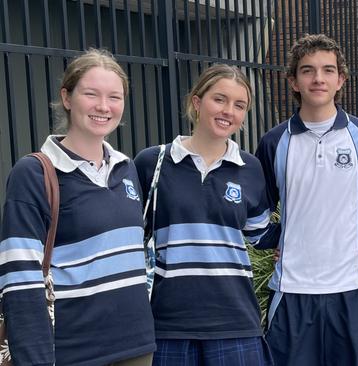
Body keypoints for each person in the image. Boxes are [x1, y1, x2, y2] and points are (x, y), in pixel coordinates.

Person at [0, 49, 156, 365]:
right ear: (67, 98)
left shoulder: (126, 168)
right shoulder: (33, 173)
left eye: (115, 96)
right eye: (91, 94)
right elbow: (20, 278)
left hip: (136, 347)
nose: (103, 106)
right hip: (73, 352)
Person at [254, 33, 358, 366]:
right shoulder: (273, 142)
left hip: (352, 288)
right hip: (293, 290)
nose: (318, 78)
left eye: (328, 70)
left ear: (340, 79)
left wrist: (345, 236)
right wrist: (280, 237)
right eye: (308, 70)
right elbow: (258, 208)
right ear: (293, 81)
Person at [134, 64, 273, 365]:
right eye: (219, 99)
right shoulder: (152, 163)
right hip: (168, 325)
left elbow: (260, 235)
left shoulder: (249, 168)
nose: (228, 111)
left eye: (239, 105)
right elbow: (131, 236)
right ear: (197, 103)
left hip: (235, 322)